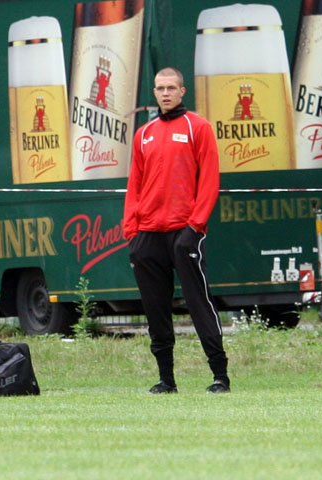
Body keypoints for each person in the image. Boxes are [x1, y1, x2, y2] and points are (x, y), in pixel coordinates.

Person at [123, 67, 230, 394]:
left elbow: (209, 180)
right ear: (154, 92)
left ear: (182, 91)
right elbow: (135, 184)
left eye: (171, 88)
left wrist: (195, 226)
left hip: (185, 231)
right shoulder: (144, 133)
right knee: (155, 309)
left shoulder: (198, 127)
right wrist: (132, 231)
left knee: (199, 303)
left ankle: (220, 377)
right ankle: (166, 380)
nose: (165, 93)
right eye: (160, 88)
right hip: (148, 234)